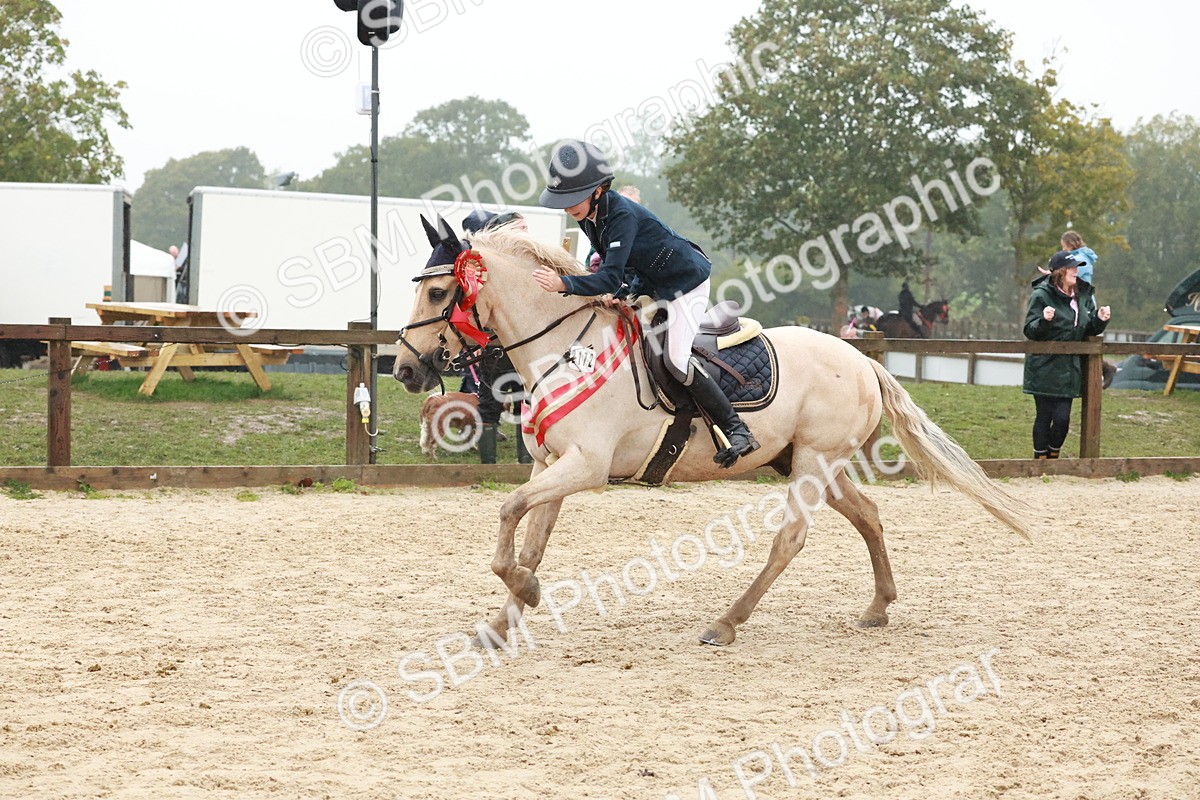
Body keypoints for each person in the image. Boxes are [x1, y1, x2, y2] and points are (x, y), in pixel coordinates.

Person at [533, 139, 759, 468]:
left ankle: (737, 429)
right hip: (653, 282)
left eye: (573, 199)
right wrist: (626, 291)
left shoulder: (621, 213)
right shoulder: (588, 216)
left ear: (598, 190)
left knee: (676, 359)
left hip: (686, 283)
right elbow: (624, 268)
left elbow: (608, 276)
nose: (568, 207)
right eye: (563, 200)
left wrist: (564, 284)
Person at [1022, 250, 1112, 459]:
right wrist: (1044, 320)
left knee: (1062, 419)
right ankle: (1040, 461)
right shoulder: (1041, 295)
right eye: (1071, 267)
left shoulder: (1083, 296)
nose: (1076, 271)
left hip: (1070, 369)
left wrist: (1100, 319)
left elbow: (1087, 330)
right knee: (1044, 416)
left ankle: (1053, 456)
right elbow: (1030, 330)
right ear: (1059, 272)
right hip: (1044, 367)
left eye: (1077, 267)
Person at [461, 209, 531, 465]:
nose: (525, 233)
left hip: (526, 345)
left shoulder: (533, 259)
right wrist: (478, 340)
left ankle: (526, 462)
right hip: (495, 345)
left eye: (525, 228)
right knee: (490, 401)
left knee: (528, 401)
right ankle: (488, 468)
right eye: (519, 228)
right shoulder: (488, 263)